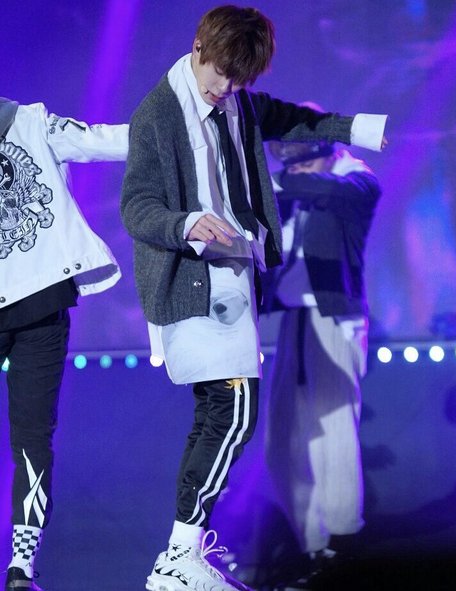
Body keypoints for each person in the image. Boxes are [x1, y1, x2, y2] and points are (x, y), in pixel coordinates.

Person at [120, 6, 387, 591]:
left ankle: (184, 555)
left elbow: (291, 120)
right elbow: (136, 206)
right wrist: (184, 223)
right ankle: (181, 553)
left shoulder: (241, 105)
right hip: (196, 282)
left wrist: (358, 129)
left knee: (231, 416)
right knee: (236, 414)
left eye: (237, 81)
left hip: (245, 289)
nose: (225, 90)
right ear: (197, 47)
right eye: (220, 75)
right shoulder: (159, 113)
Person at [0, 97, 128, 591]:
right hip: (41, 302)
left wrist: (179, 119)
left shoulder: (30, 122)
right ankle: (21, 569)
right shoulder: (30, 122)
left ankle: (21, 565)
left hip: (40, 304)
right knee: (33, 439)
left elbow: (107, 141)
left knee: (33, 439)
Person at [263, 111, 381, 586]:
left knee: (333, 432)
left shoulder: (356, 179)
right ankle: (311, 546)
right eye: (289, 164)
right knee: (284, 439)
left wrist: (272, 183)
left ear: (327, 152)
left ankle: (341, 544)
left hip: (336, 317)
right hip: (295, 317)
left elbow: (331, 192)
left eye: (303, 162)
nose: (294, 171)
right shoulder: (296, 185)